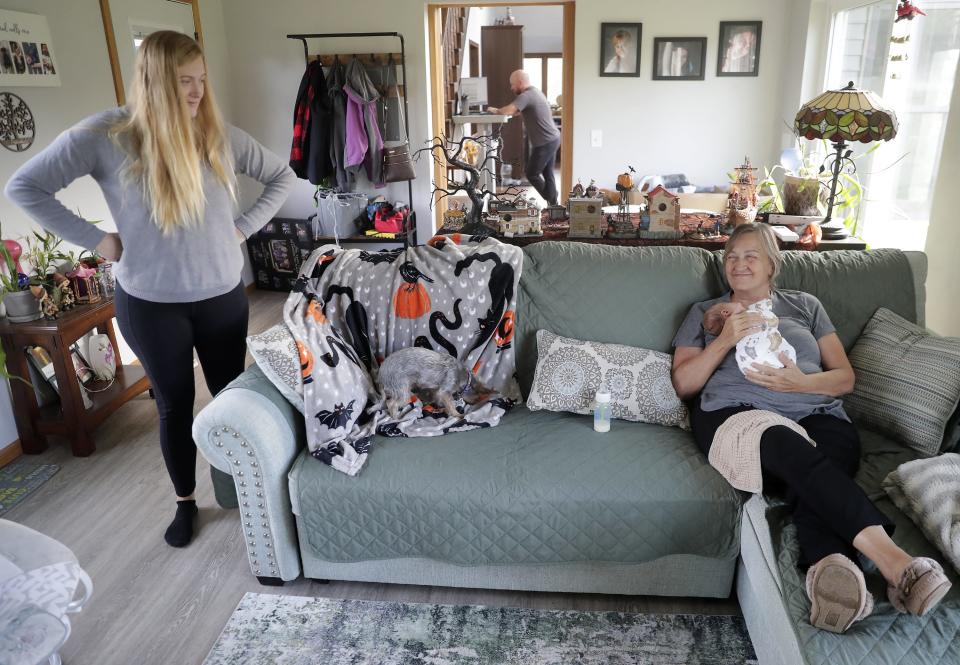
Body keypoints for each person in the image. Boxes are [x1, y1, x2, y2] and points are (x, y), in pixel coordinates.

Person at [5, 31, 296, 548]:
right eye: (185, 82)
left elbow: (280, 176)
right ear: (155, 81)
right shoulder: (106, 135)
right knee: (174, 404)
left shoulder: (216, 134)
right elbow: (24, 186)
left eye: (201, 80)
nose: (197, 92)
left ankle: (241, 490)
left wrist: (243, 228)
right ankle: (186, 501)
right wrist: (97, 240)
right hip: (150, 303)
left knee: (234, 398)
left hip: (221, 296)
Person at [671, 223, 951, 633]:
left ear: (772, 265)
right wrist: (724, 340)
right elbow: (684, 384)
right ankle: (898, 565)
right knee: (789, 446)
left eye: (750, 256)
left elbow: (844, 378)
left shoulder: (804, 305)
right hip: (739, 414)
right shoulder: (707, 313)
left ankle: (831, 569)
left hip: (816, 413)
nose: (738, 263)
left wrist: (802, 383)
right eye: (731, 256)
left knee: (823, 464)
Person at [487, 70, 561, 206]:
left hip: (545, 142)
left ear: (520, 82)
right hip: (553, 138)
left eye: (512, 85)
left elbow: (509, 110)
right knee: (548, 172)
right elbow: (516, 111)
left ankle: (551, 197)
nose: (511, 88)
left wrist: (496, 110)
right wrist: (510, 111)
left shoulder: (526, 96)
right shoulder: (536, 92)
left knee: (531, 173)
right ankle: (553, 204)